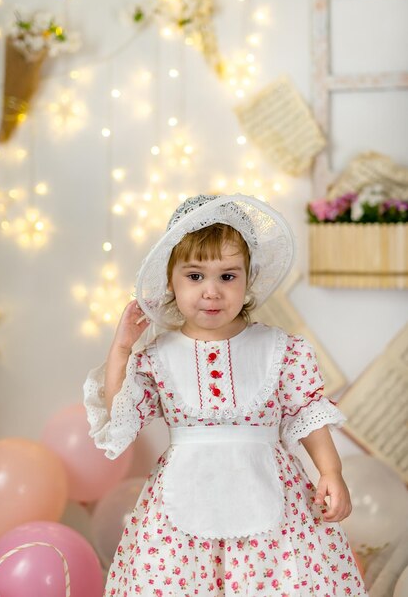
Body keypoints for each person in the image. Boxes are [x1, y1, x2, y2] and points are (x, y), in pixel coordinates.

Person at [83, 194, 367, 596]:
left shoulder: (279, 349)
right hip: (184, 506)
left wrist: (331, 471)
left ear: (248, 280)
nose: (212, 291)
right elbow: (121, 415)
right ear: (171, 281)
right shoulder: (157, 357)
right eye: (195, 276)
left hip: (272, 502)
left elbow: (307, 411)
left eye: (227, 276)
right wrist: (122, 350)